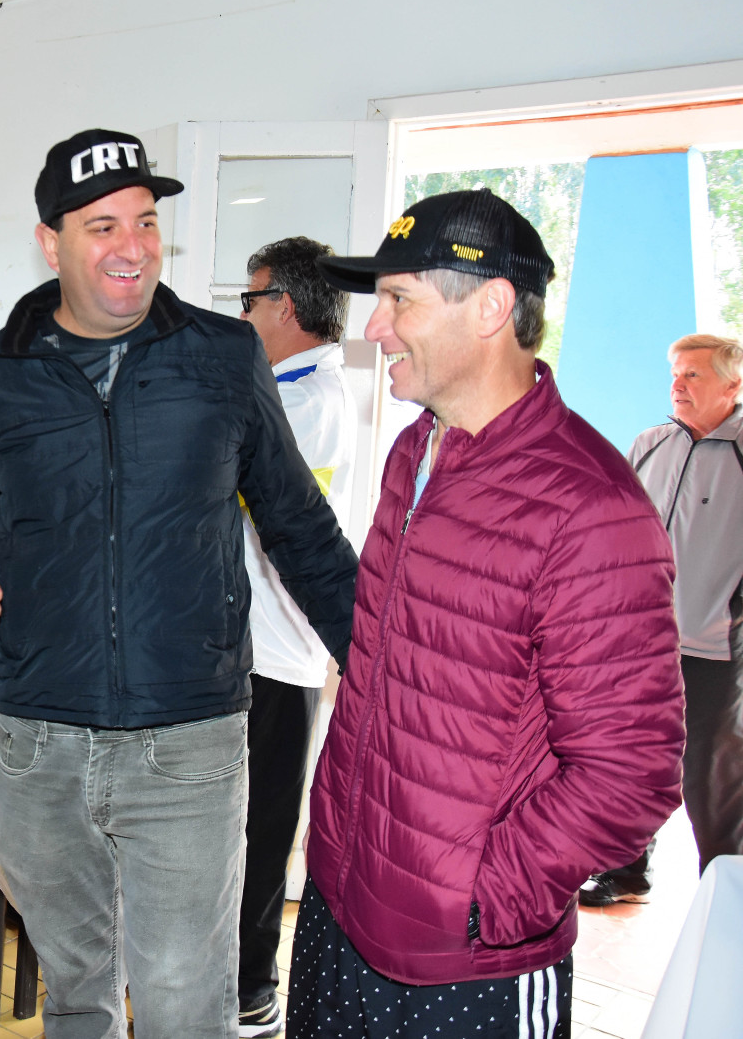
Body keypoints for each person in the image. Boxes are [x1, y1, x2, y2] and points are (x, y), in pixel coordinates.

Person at [0, 129, 358, 1039]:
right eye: (103, 224)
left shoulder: (224, 358)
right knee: (78, 996)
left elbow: (299, 525)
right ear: (51, 242)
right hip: (41, 740)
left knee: (184, 1004)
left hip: (189, 739)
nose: (133, 245)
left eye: (147, 221)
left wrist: (380, 661)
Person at [292, 190, 685, 1038]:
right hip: (343, 897)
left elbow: (633, 770)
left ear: (491, 308)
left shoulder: (590, 508)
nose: (374, 327)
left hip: (465, 958)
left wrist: (484, 898)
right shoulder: (413, 450)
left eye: (399, 300)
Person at [234, 237, 355, 1038]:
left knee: (258, 834)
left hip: (276, 652)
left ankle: (249, 991)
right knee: (241, 831)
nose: (243, 316)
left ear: (284, 305)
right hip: (261, 647)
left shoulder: (305, 403)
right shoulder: (292, 391)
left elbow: (267, 522)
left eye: (249, 300)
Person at [580, 333, 743, 905]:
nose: (678, 384)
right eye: (675, 373)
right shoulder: (650, 444)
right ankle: (627, 870)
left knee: (710, 777)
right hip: (642, 643)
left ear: (733, 384)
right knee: (633, 761)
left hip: (718, 647)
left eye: (694, 374)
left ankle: (724, 896)